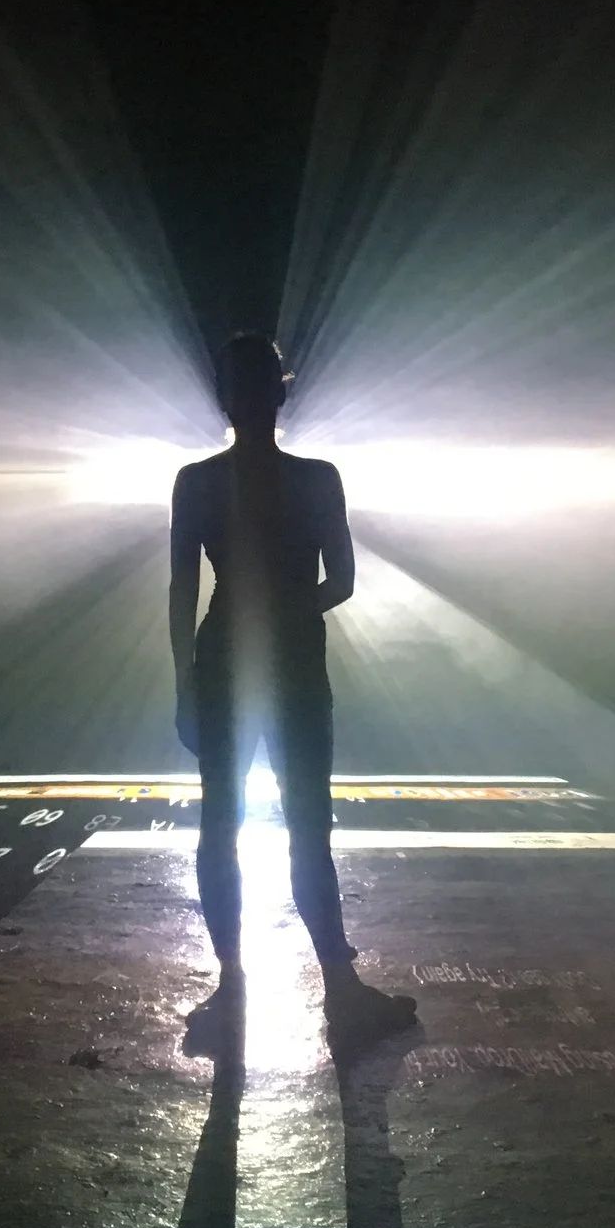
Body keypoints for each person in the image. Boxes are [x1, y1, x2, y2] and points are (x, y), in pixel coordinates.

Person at [169, 333, 418, 1048]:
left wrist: (185, 681)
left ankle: (232, 986)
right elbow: (341, 580)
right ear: (280, 393)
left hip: (223, 660)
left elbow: (183, 589)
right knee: (309, 827)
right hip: (298, 662)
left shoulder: (198, 481)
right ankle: (340, 987)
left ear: (225, 399)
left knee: (221, 827)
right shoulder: (316, 478)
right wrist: (286, 610)